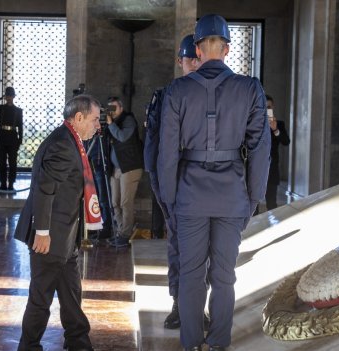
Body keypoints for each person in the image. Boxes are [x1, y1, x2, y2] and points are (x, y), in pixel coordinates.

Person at [157, 14, 271, 351]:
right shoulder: (250, 88)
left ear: (197, 48)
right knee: (224, 276)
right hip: (232, 195)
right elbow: (261, 149)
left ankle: (191, 342)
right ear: (227, 48)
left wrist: (169, 198)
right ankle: (219, 342)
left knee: (191, 275)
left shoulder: (178, 89)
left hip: (189, 195)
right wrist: (253, 197)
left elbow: (167, 152)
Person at [14, 94, 101, 351]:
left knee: (71, 295)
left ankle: (79, 343)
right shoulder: (64, 144)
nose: (98, 126)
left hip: (65, 237)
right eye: (95, 120)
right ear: (79, 117)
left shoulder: (70, 140)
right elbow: (45, 189)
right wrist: (42, 232)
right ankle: (28, 346)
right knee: (41, 299)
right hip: (50, 238)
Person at [144, 34, 202, 330]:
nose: (193, 63)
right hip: (177, 186)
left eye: (197, 57)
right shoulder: (166, 95)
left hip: (207, 186)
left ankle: (197, 307)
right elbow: (154, 149)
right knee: (180, 245)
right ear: (180, 62)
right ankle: (180, 305)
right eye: (188, 58)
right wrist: (164, 191)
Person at [104, 97, 144, 248]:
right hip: (116, 168)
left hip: (130, 167)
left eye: (114, 108)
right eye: (109, 109)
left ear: (121, 108)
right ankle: (121, 231)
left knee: (125, 203)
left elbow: (122, 136)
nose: (112, 112)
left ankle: (126, 235)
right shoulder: (112, 123)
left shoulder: (128, 120)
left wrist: (110, 123)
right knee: (115, 202)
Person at [265, 95, 290, 210]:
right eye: (264, 107)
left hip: (272, 169)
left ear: (273, 107)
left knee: (271, 203)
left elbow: (286, 141)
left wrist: (275, 130)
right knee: (252, 205)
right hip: (254, 170)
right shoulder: (252, 124)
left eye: (268, 107)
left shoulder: (279, 124)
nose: (266, 110)